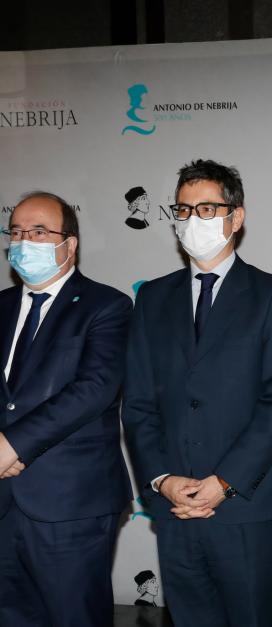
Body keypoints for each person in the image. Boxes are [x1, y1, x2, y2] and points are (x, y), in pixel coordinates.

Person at [122, 159, 272, 627]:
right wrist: (161, 480)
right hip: (175, 507)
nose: (192, 221)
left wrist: (223, 483)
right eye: (183, 210)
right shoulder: (153, 298)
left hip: (245, 507)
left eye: (206, 208)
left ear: (235, 217)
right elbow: (139, 402)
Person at [0, 191, 132, 627]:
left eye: (39, 232)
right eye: (16, 232)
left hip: (71, 503)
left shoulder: (106, 306)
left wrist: (12, 445)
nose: (24, 242)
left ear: (69, 243)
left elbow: (94, 389)